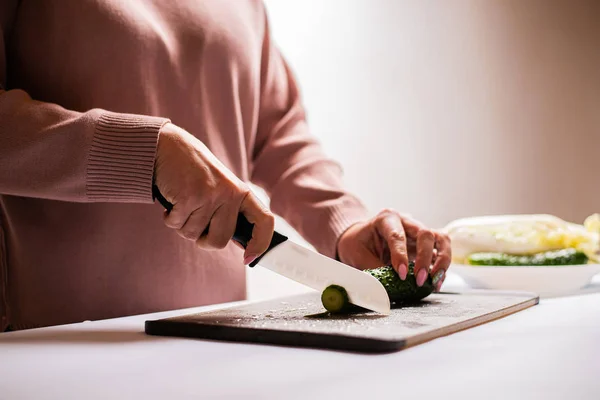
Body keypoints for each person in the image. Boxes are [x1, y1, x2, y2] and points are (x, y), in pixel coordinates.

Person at [0, 0, 451, 332]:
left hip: (214, 338)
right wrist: (146, 151)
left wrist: (346, 226)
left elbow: (278, 136)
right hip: (51, 347)